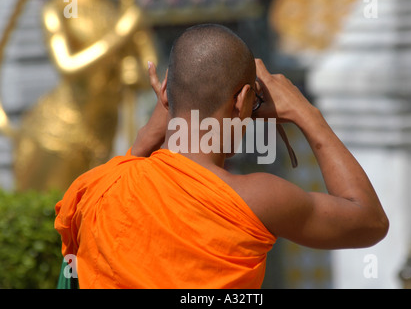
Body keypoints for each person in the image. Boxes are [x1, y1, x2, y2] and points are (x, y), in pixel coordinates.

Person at [55, 24, 389, 289]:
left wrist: (161, 117)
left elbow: (133, 164)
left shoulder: (98, 188)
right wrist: (306, 113)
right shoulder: (258, 198)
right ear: (243, 100)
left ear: (167, 91)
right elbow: (369, 220)